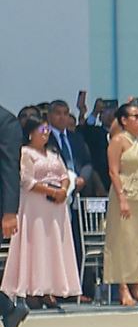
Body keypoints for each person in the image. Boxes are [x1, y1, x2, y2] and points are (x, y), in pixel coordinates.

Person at [1, 112, 82, 310]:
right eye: (42, 130)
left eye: (47, 130)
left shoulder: (53, 154)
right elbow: (26, 180)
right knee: (35, 244)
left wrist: (63, 190)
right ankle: (32, 288)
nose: (46, 134)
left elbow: (64, 174)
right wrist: (50, 190)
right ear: (31, 133)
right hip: (34, 205)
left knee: (52, 245)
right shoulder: (26, 153)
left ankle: (49, 288)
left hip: (54, 208)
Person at [103, 103, 138, 307]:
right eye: (135, 116)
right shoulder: (118, 140)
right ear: (124, 120)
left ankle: (137, 287)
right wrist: (122, 197)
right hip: (125, 194)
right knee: (124, 241)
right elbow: (113, 171)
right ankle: (123, 287)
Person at [45, 100, 94, 295]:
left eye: (65, 113)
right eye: (57, 113)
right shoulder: (45, 138)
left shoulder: (76, 138)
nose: (62, 117)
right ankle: (54, 289)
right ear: (49, 116)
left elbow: (88, 162)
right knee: (55, 243)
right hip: (54, 197)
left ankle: (78, 288)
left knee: (75, 242)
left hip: (76, 196)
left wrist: (83, 178)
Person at [0, 102, 29, 327]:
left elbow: (10, 167)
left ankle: (8, 308)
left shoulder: (5, 122)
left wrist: (10, 212)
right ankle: (8, 308)